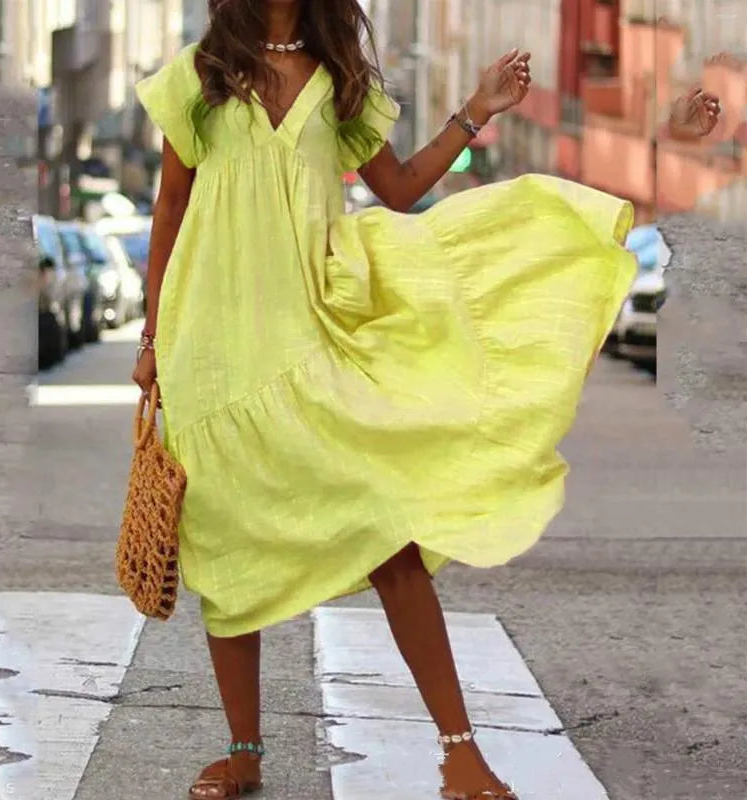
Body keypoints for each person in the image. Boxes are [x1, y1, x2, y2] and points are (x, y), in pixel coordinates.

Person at [131, 1, 638, 797]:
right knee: (226, 545)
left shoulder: (342, 83)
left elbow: (398, 190)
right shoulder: (200, 76)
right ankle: (244, 753)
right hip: (213, 347)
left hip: (312, 338)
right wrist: (154, 341)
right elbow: (170, 207)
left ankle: (460, 751)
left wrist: (475, 112)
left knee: (387, 526)